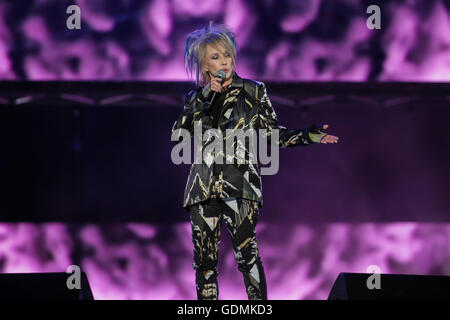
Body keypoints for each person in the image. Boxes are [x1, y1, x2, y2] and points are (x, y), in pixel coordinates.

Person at [171, 21, 339, 300]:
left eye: (227, 54)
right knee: (204, 263)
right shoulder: (195, 98)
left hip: (241, 185)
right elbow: (178, 135)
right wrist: (205, 97)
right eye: (215, 57)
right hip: (203, 189)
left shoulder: (253, 91)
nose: (224, 60)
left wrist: (308, 136)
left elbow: (272, 135)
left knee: (247, 256)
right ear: (204, 66)